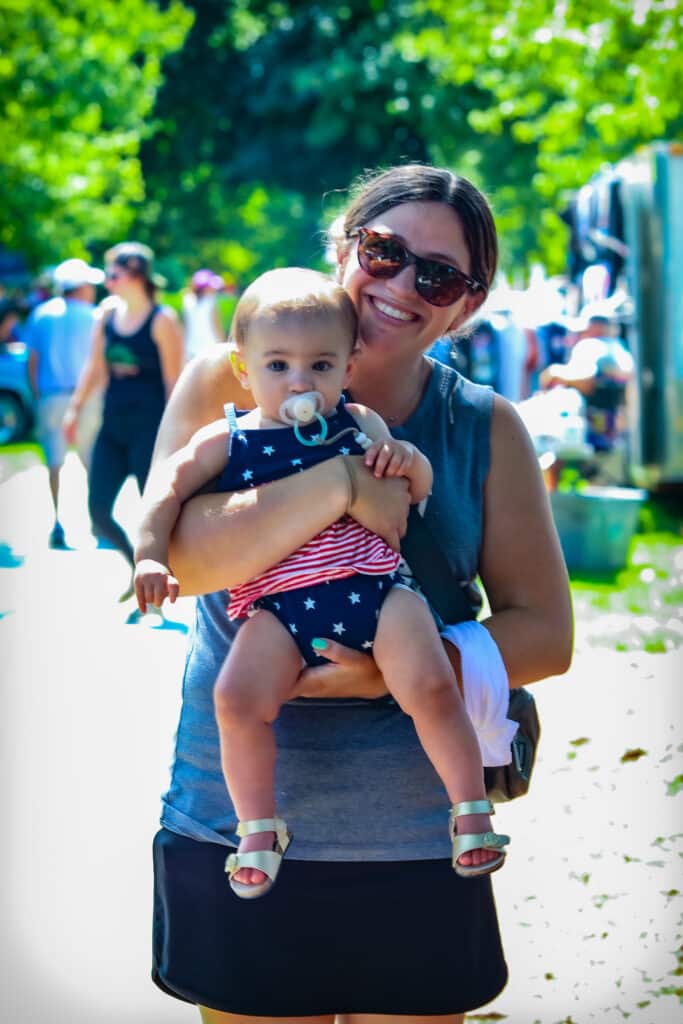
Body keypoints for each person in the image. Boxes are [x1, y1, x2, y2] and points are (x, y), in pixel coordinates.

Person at [150, 164, 572, 1022]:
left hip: (419, 837)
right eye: (384, 250)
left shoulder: (483, 424)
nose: (403, 285)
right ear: (345, 246)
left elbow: (546, 632)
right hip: (234, 828)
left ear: (465, 305)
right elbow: (184, 564)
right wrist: (344, 480)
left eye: (440, 276)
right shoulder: (221, 384)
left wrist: (397, 671)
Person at [135, 266, 512, 900]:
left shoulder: (359, 421)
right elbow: (165, 493)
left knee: (427, 681)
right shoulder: (229, 438)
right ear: (243, 366)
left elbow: (412, 493)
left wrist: (406, 462)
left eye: (320, 365)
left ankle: (471, 811)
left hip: (377, 590)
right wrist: (149, 557)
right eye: (278, 365)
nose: (300, 382)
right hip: (281, 607)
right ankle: (258, 827)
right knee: (236, 697)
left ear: (348, 365)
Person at [62, 242, 184, 598]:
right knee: (97, 510)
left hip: (150, 428)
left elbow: (174, 381)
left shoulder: (162, 319)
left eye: (113, 273)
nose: (108, 280)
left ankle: (159, 584)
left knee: (154, 515)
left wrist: (176, 433)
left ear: (135, 274)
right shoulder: (105, 314)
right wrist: (75, 407)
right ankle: (137, 567)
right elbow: (95, 368)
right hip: (113, 426)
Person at [23, 258, 104, 548]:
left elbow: (32, 361)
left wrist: (37, 395)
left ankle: (57, 522)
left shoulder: (41, 315)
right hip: (85, 397)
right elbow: (100, 363)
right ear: (80, 287)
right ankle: (97, 522)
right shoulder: (94, 316)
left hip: (49, 395)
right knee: (91, 459)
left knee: (54, 462)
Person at [540, 302, 635, 481]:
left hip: (589, 432)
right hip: (616, 435)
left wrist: (556, 373)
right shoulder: (621, 350)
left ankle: (547, 503)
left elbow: (588, 380)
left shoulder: (591, 346)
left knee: (547, 451)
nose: (579, 334)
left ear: (596, 327)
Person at [182, 268, 225, 361]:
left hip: (190, 349)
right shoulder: (211, 302)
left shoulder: (187, 300)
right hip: (211, 348)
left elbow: (184, 327)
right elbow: (217, 327)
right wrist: (223, 347)